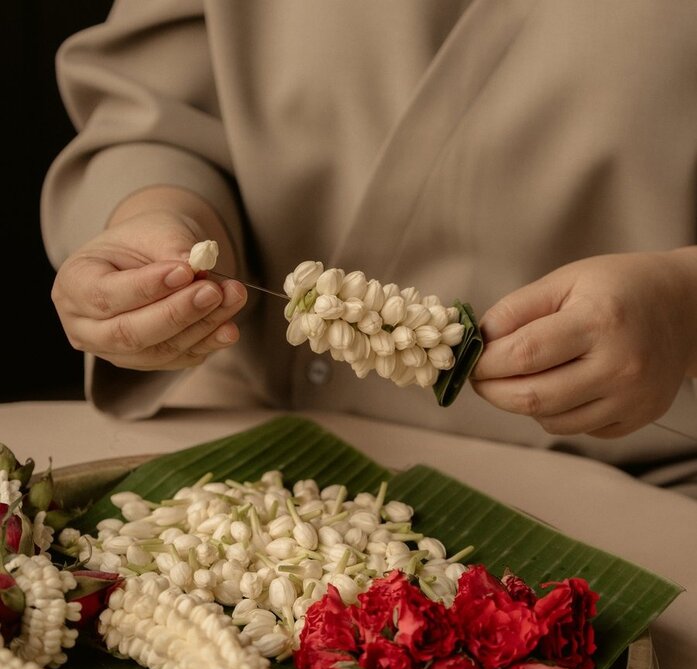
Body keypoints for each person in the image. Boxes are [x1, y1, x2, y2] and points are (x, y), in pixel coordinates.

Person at [42, 1, 697, 487]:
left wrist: (682, 306)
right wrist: (157, 217)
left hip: (631, 483)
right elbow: (159, 114)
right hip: (234, 424)